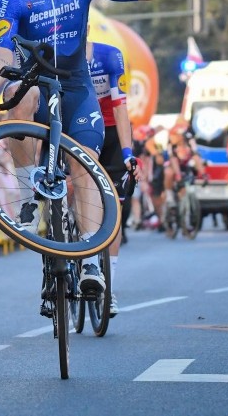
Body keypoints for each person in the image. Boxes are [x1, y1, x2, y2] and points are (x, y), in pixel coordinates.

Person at [0, 0, 162, 295]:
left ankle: (92, 262)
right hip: (36, 90)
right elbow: (3, 50)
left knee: (85, 167)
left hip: (77, 91)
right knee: (15, 93)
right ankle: (30, 193)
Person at [87, 39, 141, 317]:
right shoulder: (62, 55)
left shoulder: (108, 56)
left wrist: (127, 152)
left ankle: (109, 288)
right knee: (78, 194)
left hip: (108, 131)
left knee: (114, 209)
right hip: (78, 127)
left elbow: (120, 107)